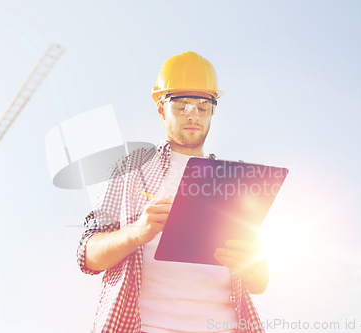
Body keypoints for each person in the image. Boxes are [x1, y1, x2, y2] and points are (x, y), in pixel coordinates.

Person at [77, 51, 268, 333]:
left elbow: (259, 281)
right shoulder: (130, 170)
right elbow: (87, 255)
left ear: (212, 112)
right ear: (161, 109)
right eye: (182, 106)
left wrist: (250, 267)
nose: (193, 116)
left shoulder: (234, 181)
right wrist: (137, 232)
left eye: (203, 107)